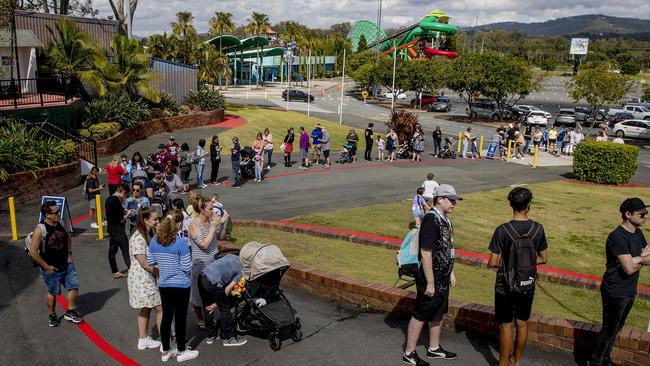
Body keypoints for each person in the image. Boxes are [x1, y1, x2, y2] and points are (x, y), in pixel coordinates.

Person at [488, 187, 548, 366]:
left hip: (504, 283)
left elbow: (492, 262)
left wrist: (511, 264)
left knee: (506, 325)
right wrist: (525, 264)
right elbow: (544, 258)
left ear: (510, 204)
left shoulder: (503, 230)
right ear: (529, 205)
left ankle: (502, 364)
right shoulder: (538, 229)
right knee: (522, 323)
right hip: (527, 282)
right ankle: (515, 360)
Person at [403, 184, 461, 366]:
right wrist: (430, 282)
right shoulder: (431, 219)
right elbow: (426, 252)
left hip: (442, 275)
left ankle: (434, 348)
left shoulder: (445, 220)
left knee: (438, 311)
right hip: (430, 277)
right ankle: (409, 352)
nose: (454, 204)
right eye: (451, 200)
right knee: (422, 312)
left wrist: (451, 271)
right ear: (440, 199)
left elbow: (447, 247)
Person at [588, 198, 650, 366]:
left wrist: (637, 259)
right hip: (615, 290)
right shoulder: (618, 237)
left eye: (647, 213)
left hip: (629, 290)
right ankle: (595, 361)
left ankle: (605, 359)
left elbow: (647, 258)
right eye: (642, 214)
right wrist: (640, 259)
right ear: (628, 215)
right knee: (609, 329)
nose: (646, 217)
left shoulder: (638, 233)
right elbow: (629, 269)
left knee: (617, 327)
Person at [147, 210, 198, 362]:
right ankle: (182, 351)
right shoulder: (180, 242)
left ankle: (166, 351)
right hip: (181, 284)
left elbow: (150, 261)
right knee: (180, 318)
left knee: (167, 317)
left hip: (164, 284)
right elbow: (187, 266)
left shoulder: (155, 241)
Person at [30, 201, 84, 327]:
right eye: (56, 212)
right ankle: (52, 315)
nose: (59, 214)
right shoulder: (40, 230)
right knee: (52, 292)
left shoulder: (60, 223)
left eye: (59, 211)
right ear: (47, 215)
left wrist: (69, 253)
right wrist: (46, 267)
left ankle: (70, 312)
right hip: (51, 268)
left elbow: (68, 237)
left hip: (67, 264)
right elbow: (33, 252)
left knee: (74, 286)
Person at [128, 207, 162, 351]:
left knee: (146, 308)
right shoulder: (138, 237)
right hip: (142, 280)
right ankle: (167, 342)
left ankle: (143, 339)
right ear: (146, 220)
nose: (157, 221)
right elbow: (144, 264)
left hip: (144, 278)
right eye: (155, 219)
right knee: (161, 309)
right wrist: (161, 271)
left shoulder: (148, 233)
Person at [198, 254, 248, 346]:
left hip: (202, 276)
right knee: (225, 308)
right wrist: (217, 304)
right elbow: (228, 289)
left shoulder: (231, 255)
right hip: (213, 282)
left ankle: (210, 335)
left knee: (207, 306)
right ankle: (228, 337)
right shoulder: (241, 271)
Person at [187, 197, 221, 330]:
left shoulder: (211, 220)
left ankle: (210, 319)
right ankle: (201, 319)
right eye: (211, 209)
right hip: (200, 265)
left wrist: (222, 224)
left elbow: (219, 237)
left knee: (214, 293)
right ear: (202, 210)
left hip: (214, 263)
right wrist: (213, 227)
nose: (213, 211)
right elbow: (205, 245)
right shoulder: (193, 225)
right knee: (197, 296)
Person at [106, 183, 132, 279]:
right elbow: (120, 219)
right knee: (125, 248)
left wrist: (124, 211)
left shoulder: (109, 199)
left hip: (111, 228)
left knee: (112, 250)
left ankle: (114, 271)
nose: (124, 197)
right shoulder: (116, 200)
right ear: (123, 192)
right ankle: (131, 269)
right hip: (117, 228)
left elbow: (115, 213)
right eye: (125, 195)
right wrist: (128, 214)